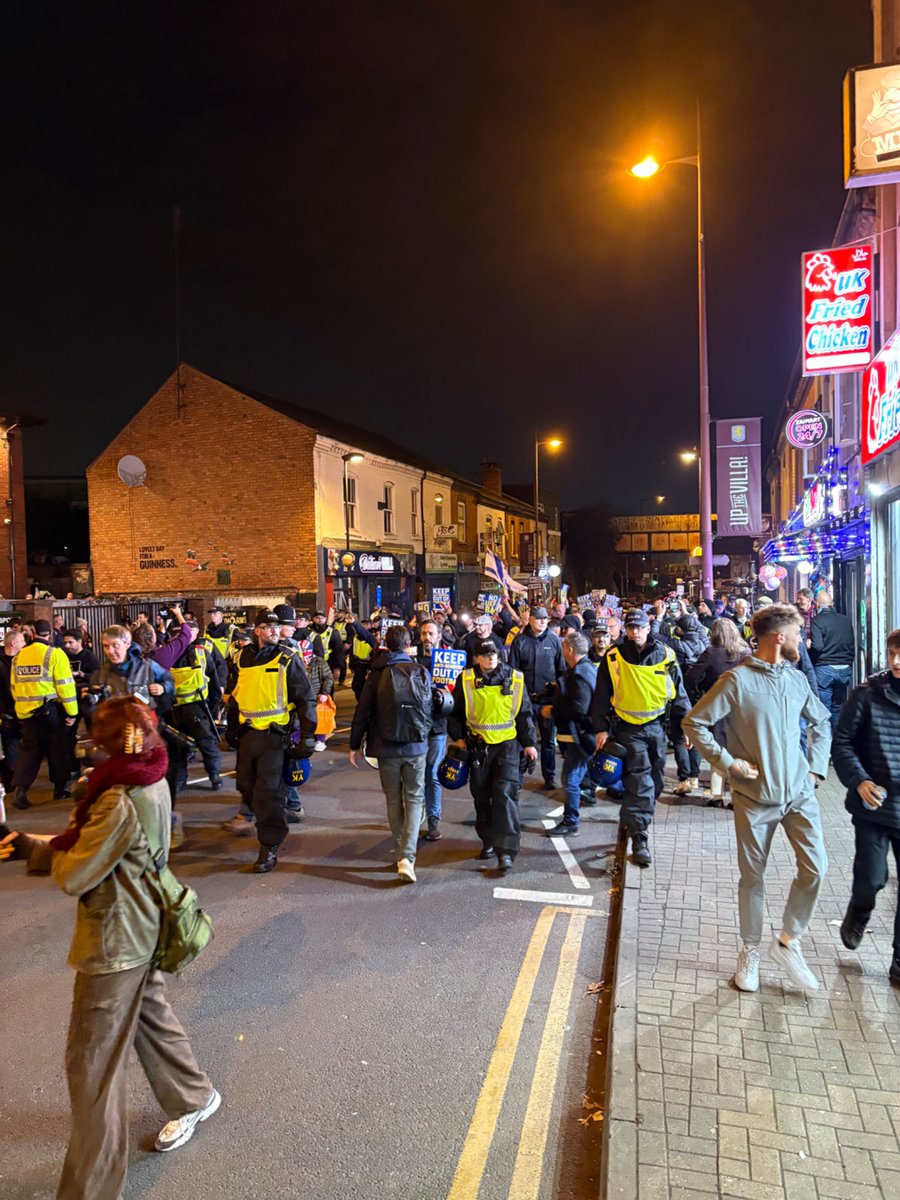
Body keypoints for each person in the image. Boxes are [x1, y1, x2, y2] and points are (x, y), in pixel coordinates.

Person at [0, 695, 220, 1199]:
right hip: (145, 924)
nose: (86, 746)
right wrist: (31, 845)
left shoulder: (117, 796)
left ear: (115, 741)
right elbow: (114, 846)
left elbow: (78, 871)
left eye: (95, 736)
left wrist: (49, 853)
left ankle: (91, 1190)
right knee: (150, 1018)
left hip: (116, 939)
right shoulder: (152, 775)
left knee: (92, 1065)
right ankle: (194, 1095)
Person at [683, 603, 832, 993]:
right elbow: (693, 722)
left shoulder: (796, 679)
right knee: (753, 878)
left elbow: (821, 722)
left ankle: (788, 941)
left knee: (816, 867)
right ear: (779, 637)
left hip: (799, 793)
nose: (803, 639)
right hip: (754, 797)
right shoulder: (736, 681)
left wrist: (816, 766)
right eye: (799, 632)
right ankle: (749, 951)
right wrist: (727, 763)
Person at [591, 608, 689, 867]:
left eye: (640, 627)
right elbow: (601, 695)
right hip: (628, 731)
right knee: (640, 784)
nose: (635, 632)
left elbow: (679, 696)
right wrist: (600, 728)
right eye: (631, 627)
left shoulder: (666, 656)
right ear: (625, 629)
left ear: (649, 628)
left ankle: (634, 818)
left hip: (657, 730)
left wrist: (687, 727)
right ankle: (639, 838)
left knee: (654, 783)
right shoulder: (613, 657)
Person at [832, 628, 900, 985]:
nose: (896, 661)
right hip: (874, 805)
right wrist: (859, 779)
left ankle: (899, 960)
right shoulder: (867, 693)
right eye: (892, 653)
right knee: (871, 878)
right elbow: (841, 742)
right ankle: (859, 911)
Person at [229, 610, 317, 872]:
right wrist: (232, 729)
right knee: (246, 786)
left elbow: (305, 698)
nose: (274, 631)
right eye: (268, 626)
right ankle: (263, 826)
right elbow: (235, 695)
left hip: (275, 736)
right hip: (248, 736)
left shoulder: (287, 658)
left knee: (269, 793)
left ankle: (269, 847)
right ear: (257, 631)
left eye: (277, 626)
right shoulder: (240, 659)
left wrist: (308, 737)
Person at [348, 624, 433, 883]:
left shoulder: (377, 673)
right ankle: (408, 856)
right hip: (416, 746)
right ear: (409, 644)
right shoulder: (421, 671)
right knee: (415, 798)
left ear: (386, 644)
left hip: (386, 746)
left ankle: (401, 854)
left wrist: (354, 744)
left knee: (394, 800)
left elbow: (363, 711)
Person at [449, 640, 537, 870]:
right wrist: (458, 738)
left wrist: (529, 744)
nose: (490, 658)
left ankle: (506, 851)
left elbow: (525, 713)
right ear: (476, 658)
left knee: (505, 795)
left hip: (507, 746)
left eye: (494, 654)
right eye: (485, 654)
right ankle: (487, 841)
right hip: (478, 747)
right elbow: (456, 712)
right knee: (481, 796)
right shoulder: (466, 679)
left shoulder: (515, 678)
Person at [10, 618, 79, 808]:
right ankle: (60, 789)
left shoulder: (19, 656)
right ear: (50, 633)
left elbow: (14, 687)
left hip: (27, 714)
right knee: (57, 750)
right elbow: (66, 686)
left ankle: (21, 790)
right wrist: (72, 713)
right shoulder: (55, 654)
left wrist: (22, 710)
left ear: (32, 634)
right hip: (51, 713)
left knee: (29, 752)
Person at [685, 617, 751, 805]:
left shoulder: (711, 653)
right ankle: (735, 797)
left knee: (718, 748)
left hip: (717, 705)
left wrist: (700, 690)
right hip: (741, 707)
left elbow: (691, 677)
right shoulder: (746, 653)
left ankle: (717, 795)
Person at [545, 632, 597, 835]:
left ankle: (570, 821)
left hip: (581, 736)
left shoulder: (580, 674)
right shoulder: (586, 668)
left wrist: (553, 711)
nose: (563, 651)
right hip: (584, 735)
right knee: (577, 776)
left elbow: (579, 707)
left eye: (564, 647)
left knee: (570, 780)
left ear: (570, 650)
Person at [508, 604, 563, 790]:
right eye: (538, 618)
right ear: (530, 619)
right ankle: (519, 776)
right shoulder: (519, 641)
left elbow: (561, 670)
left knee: (548, 741)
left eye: (545, 618)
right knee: (523, 739)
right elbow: (513, 672)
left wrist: (557, 693)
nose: (542, 621)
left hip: (547, 701)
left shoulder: (555, 641)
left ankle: (549, 777)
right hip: (525, 702)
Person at [417, 619, 450, 840]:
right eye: (424, 634)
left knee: (433, 773)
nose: (427, 637)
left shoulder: (448, 661)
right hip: (416, 725)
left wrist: (447, 689)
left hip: (438, 725)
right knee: (414, 774)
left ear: (438, 636)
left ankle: (434, 821)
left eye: (431, 633)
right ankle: (416, 813)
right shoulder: (412, 659)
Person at [808, 592, 855, 730]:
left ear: (816, 605)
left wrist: (810, 647)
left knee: (824, 708)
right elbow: (851, 643)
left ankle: (825, 742)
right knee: (838, 706)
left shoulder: (816, 621)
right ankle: (836, 740)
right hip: (845, 667)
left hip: (824, 668)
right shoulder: (846, 620)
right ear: (832, 605)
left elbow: (818, 646)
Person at [0, 628, 25, 793]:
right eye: (22, 641)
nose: (24, 644)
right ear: (14, 643)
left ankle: (11, 780)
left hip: (18, 711)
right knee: (10, 748)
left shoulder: (21, 660)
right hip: (5, 712)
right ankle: (10, 781)